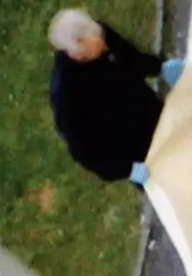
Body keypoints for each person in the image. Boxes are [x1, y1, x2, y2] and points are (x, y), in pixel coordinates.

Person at [48, 9, 184, 186]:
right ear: (78, 50)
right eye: (98, 42)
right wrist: (127, 169)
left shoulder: (97, 33)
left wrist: (159, 68)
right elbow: (85, 151)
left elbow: (129, 57)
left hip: (148, 110)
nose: (105, 44)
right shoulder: (67, 98)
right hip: (131, 147)